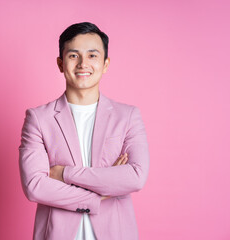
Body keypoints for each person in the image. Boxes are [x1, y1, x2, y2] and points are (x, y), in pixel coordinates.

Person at [19, 22, 149, 240]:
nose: (83, 64)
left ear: (105, 64)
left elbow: (135, 177)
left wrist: (64, 174)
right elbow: (35, 186)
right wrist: (104, 191)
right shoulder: (38, 119)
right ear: (60, 63)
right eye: (73, 56)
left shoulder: (127, 116)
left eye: (92, 55)